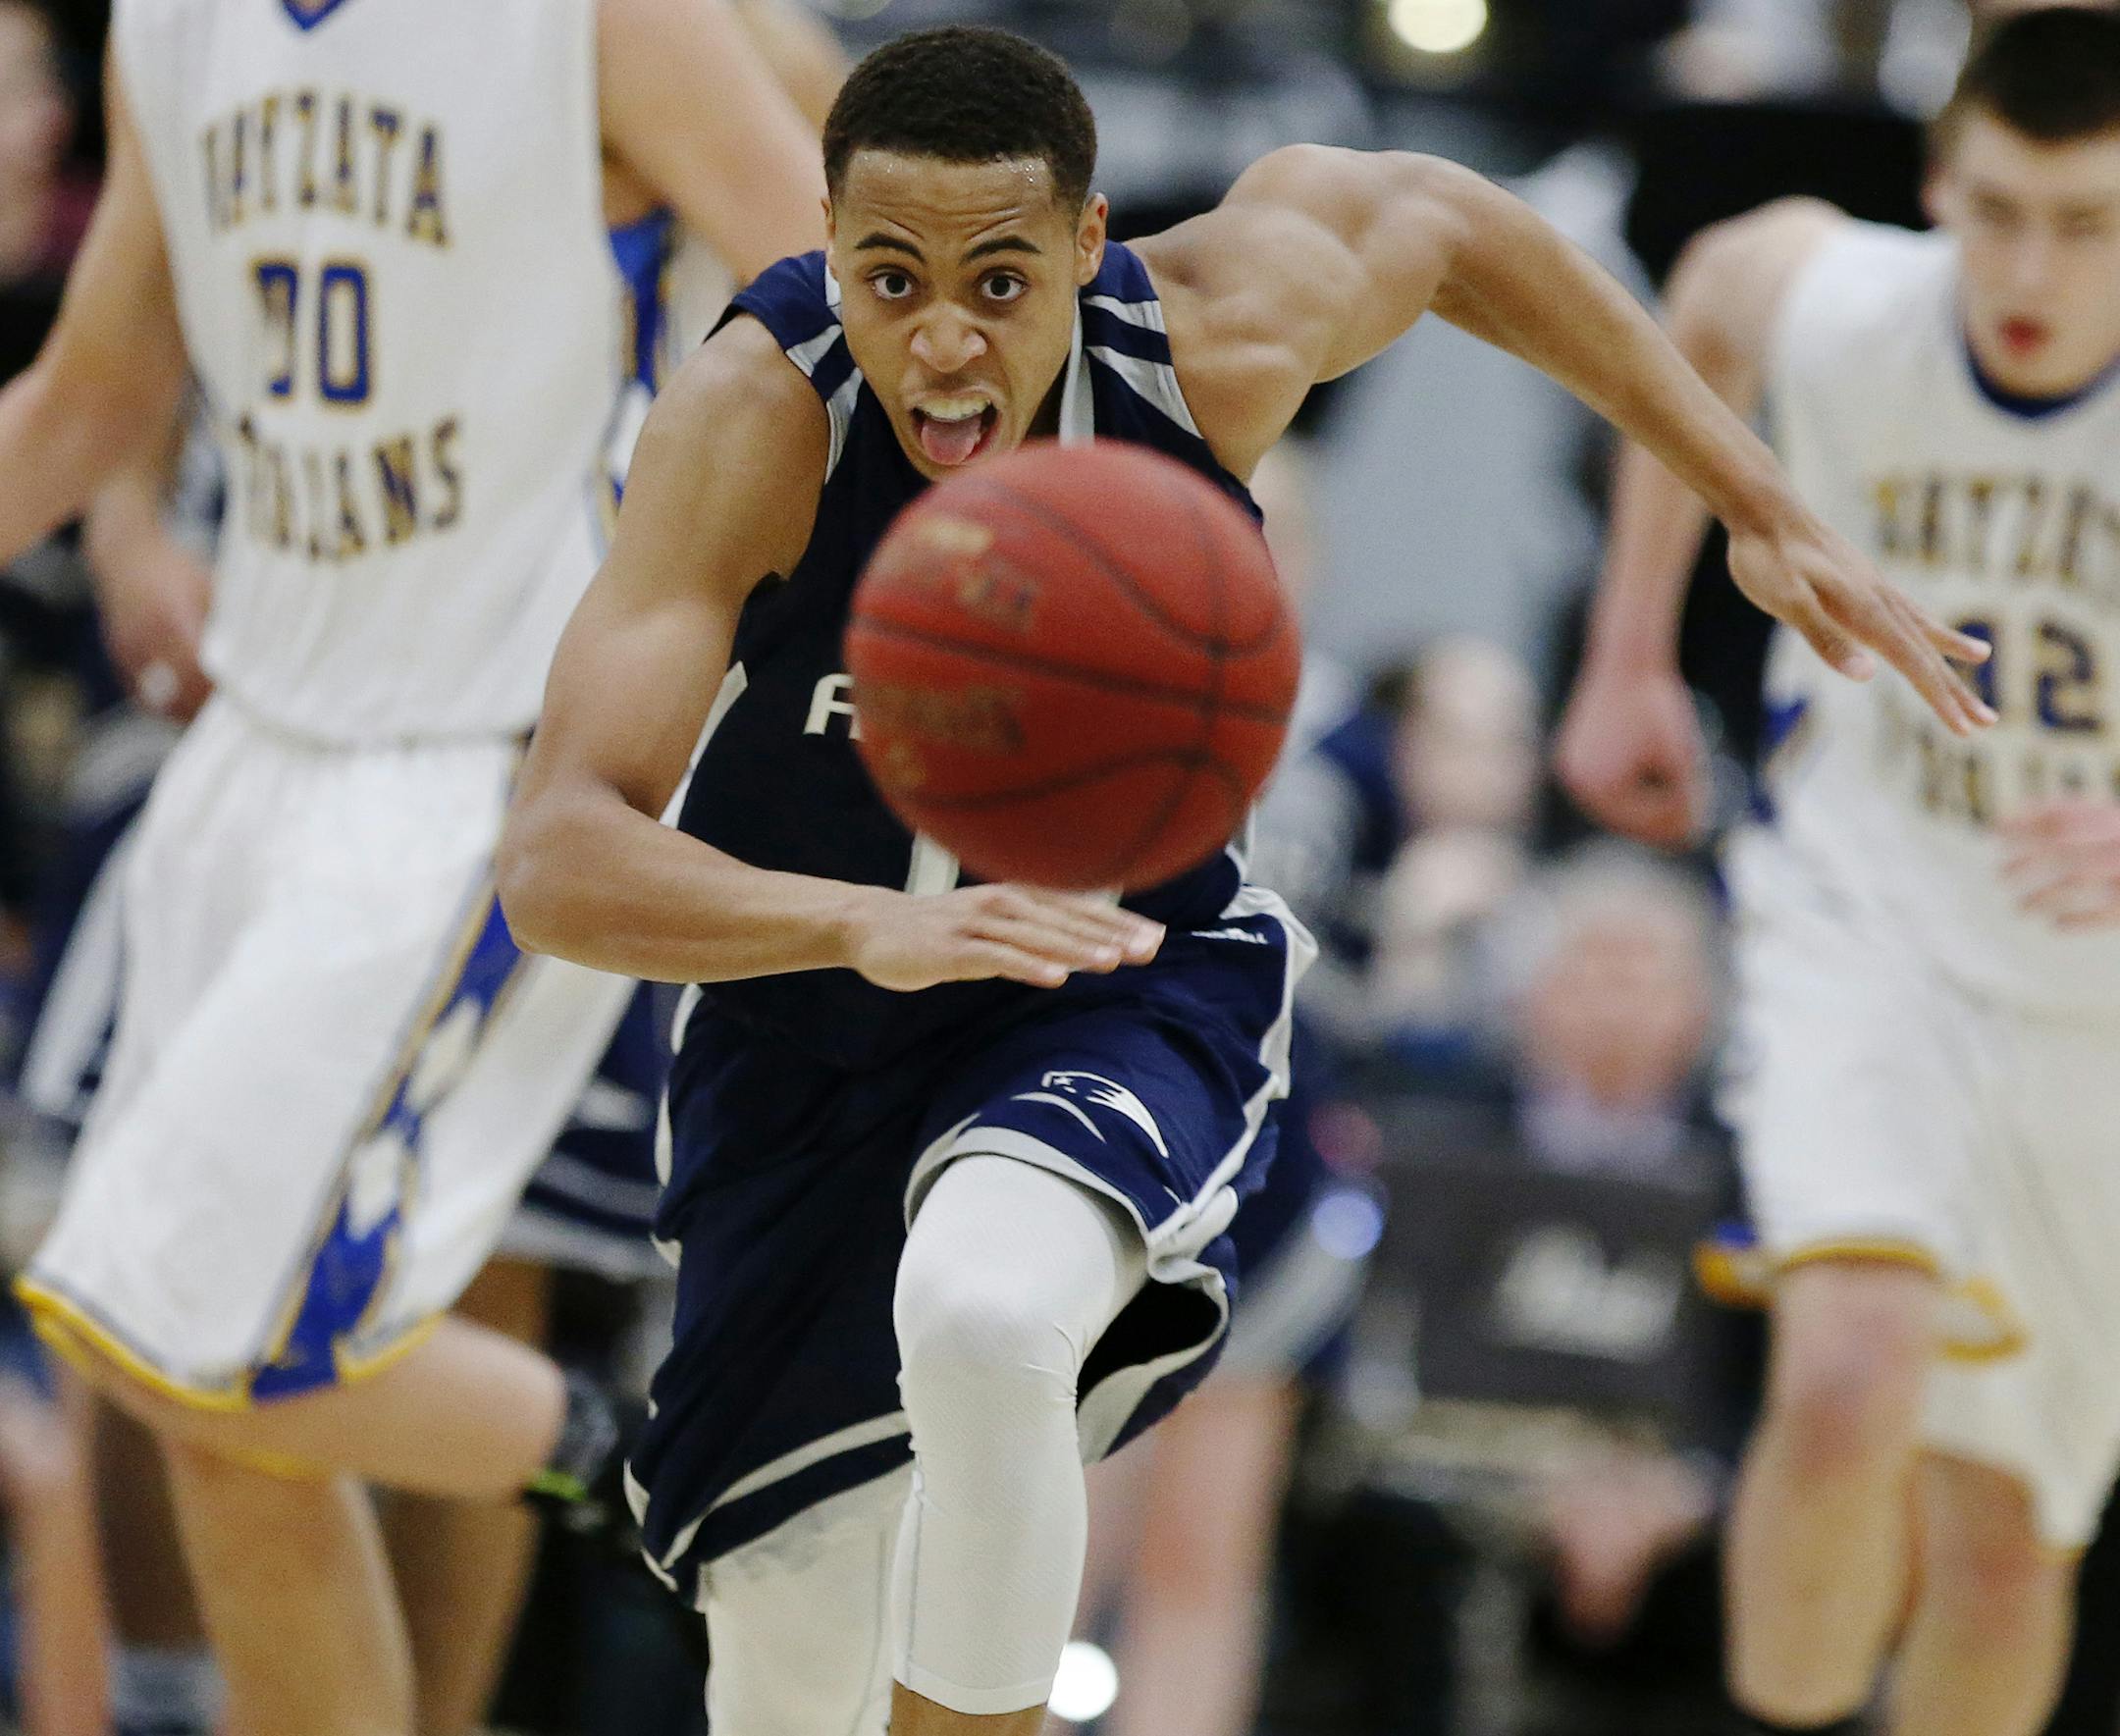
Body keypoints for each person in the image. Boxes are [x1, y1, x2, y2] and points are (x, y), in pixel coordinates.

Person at [498, 25, 1988, 1736]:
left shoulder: (1207, 332)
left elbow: (1449, 217)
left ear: (1088, 242)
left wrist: (1751, 491)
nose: (946, 335)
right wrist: (864, 921)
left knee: (984, 1318)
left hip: (1112, 972)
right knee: (782, 1655)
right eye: (890, 277)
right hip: (809, 1028)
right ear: (825, 245)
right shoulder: (754, 420)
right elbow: (560, 855)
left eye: (1000, 276)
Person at [0, 2, 828, 1734]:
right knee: (197, 1403)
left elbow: (857, 307)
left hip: (484, 751)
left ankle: (661, 1459)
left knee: (238, 1338)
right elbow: (94, 393)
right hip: (261, 751)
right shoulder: (180, 17)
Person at [1559, 10, 2120, 1733]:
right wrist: (1630, 645)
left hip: (2090, 999)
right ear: (1939, 183)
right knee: (1850, 1378)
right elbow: (1710, 300)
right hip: (1864, 899)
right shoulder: (1848, 293)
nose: (2028, 266)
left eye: (2088, 224)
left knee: (2007, 1545)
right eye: (2000, 209)